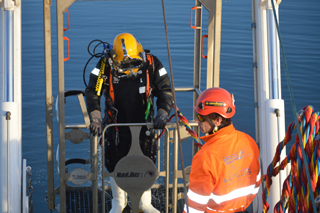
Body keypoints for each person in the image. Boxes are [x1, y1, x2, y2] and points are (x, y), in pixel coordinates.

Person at [85, 33, 173, 213]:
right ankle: (118, 202)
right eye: (124, 65)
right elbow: (93, 92)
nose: (129, 69)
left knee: (146, 160)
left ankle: (144, 203)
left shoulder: (152, 63)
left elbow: (165, 91)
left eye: (133, 64)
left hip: (146, 128)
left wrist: (163, 114)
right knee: (115, 162)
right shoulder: (104, 66)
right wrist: (95, 119)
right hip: (115, 127)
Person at [183, 87, 261, 213]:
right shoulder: (249, 141)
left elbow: (194, 208)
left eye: (201, 117)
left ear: (218, 120)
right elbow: (256, 181)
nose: (197, 120)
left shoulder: (205, 157)